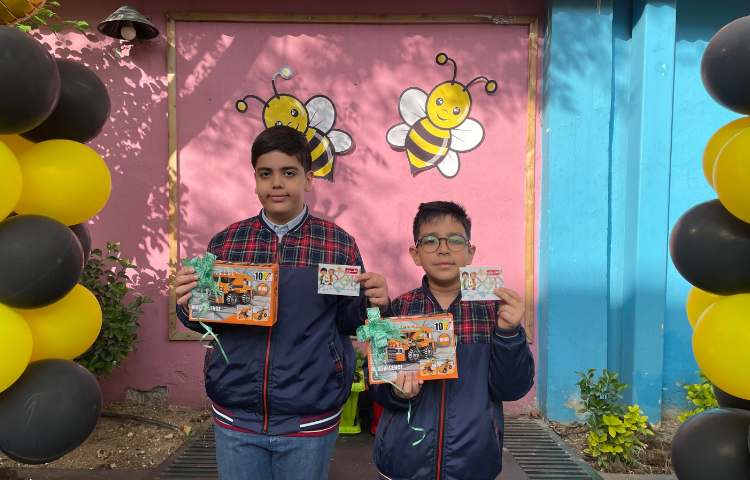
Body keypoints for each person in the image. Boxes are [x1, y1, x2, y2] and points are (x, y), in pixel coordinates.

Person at [174, 126, 389, 480]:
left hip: (310, 414)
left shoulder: (337, 244)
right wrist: (187, 304)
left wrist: (374, 302)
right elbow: (206, 322)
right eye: (266, 173)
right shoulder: (227, 243)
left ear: (308, 179)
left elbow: (350, 321)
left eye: (288, 173)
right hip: (237, 413)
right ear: (255, 180)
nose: (277, 183)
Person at [370, 201, 534, 480]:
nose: (443, 249)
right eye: (430, 241)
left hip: (473, 464)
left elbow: (512, 388)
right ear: (415, 254)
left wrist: (508, 333)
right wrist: (397, 392)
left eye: (455, 240)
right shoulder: (399, 310)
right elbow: (377, 388)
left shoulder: (494, 313)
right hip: (404, 463)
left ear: (470, 252)